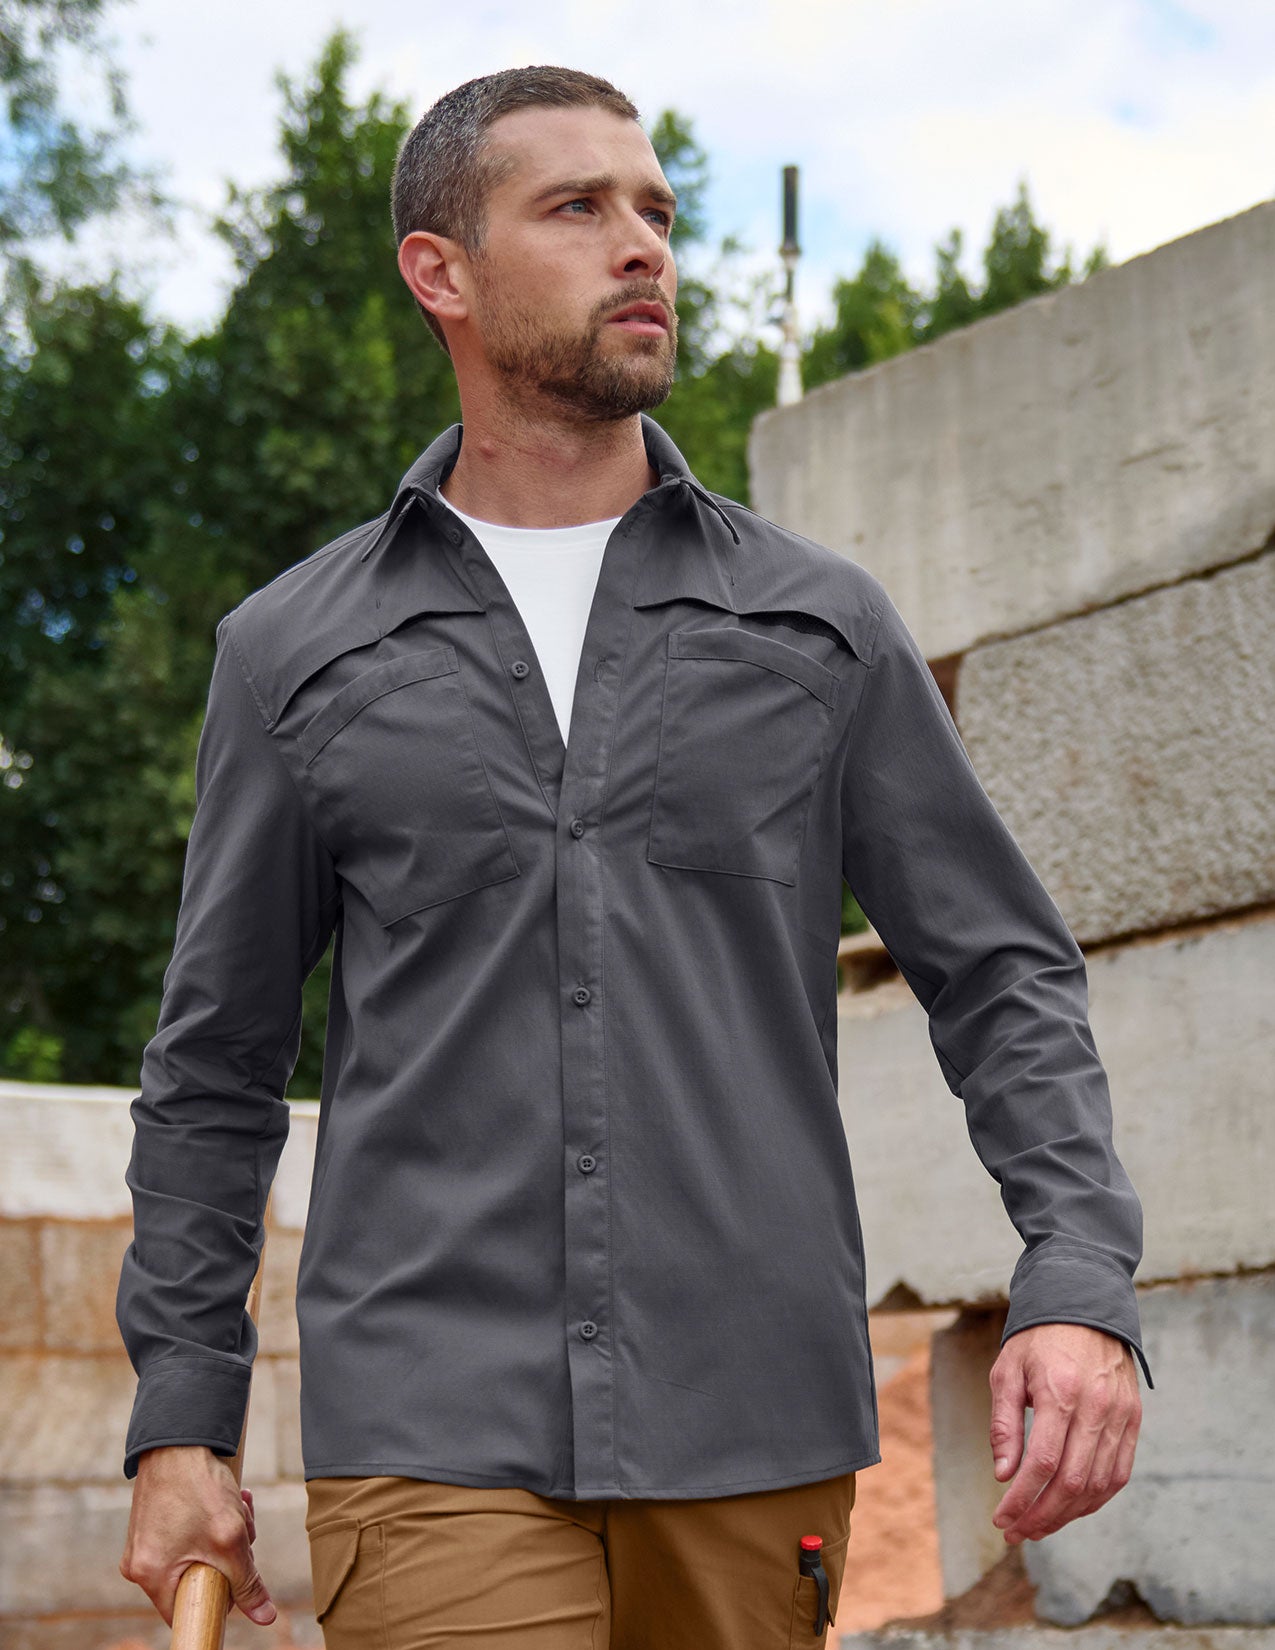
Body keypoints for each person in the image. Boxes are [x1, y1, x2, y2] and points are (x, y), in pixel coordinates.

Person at [116, 64, 1150, 1650]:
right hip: (433, 1423)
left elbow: (1002, 968)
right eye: (579, 207)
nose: (645, 246)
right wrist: (182, 1418)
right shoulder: (292, 651)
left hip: (753, 1424)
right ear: (439, 272)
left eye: (658, 210)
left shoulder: (818, 623)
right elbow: (216, 1065)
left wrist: (1075, 1272)